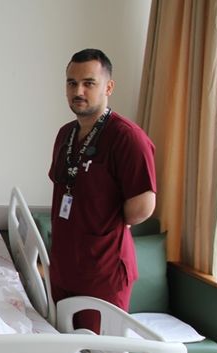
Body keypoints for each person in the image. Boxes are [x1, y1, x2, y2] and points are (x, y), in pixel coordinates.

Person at [48, 48, 156, 332]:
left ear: (108, 87)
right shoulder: (65, 134)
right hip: (64, 266)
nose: (78, 91)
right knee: (64, 349)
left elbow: (143, 207)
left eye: (89, 83)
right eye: (72, 83)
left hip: (102, 271)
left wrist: (104, 225)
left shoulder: (127, 138)